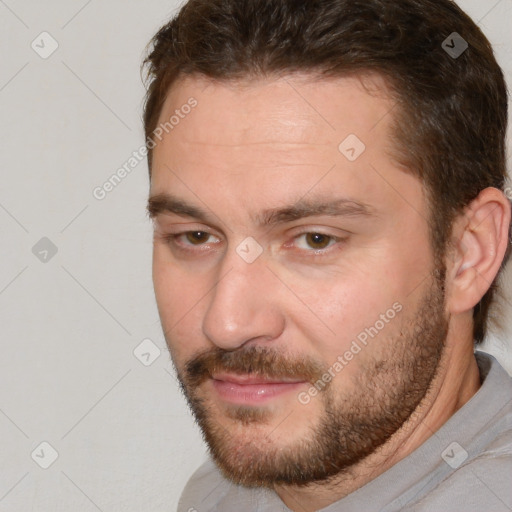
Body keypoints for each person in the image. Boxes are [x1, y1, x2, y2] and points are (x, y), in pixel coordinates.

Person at [142, 0, 512, 510]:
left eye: (315, 239)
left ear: (468, 253)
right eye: (196, 236)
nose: (226, 323)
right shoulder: (217, 496)